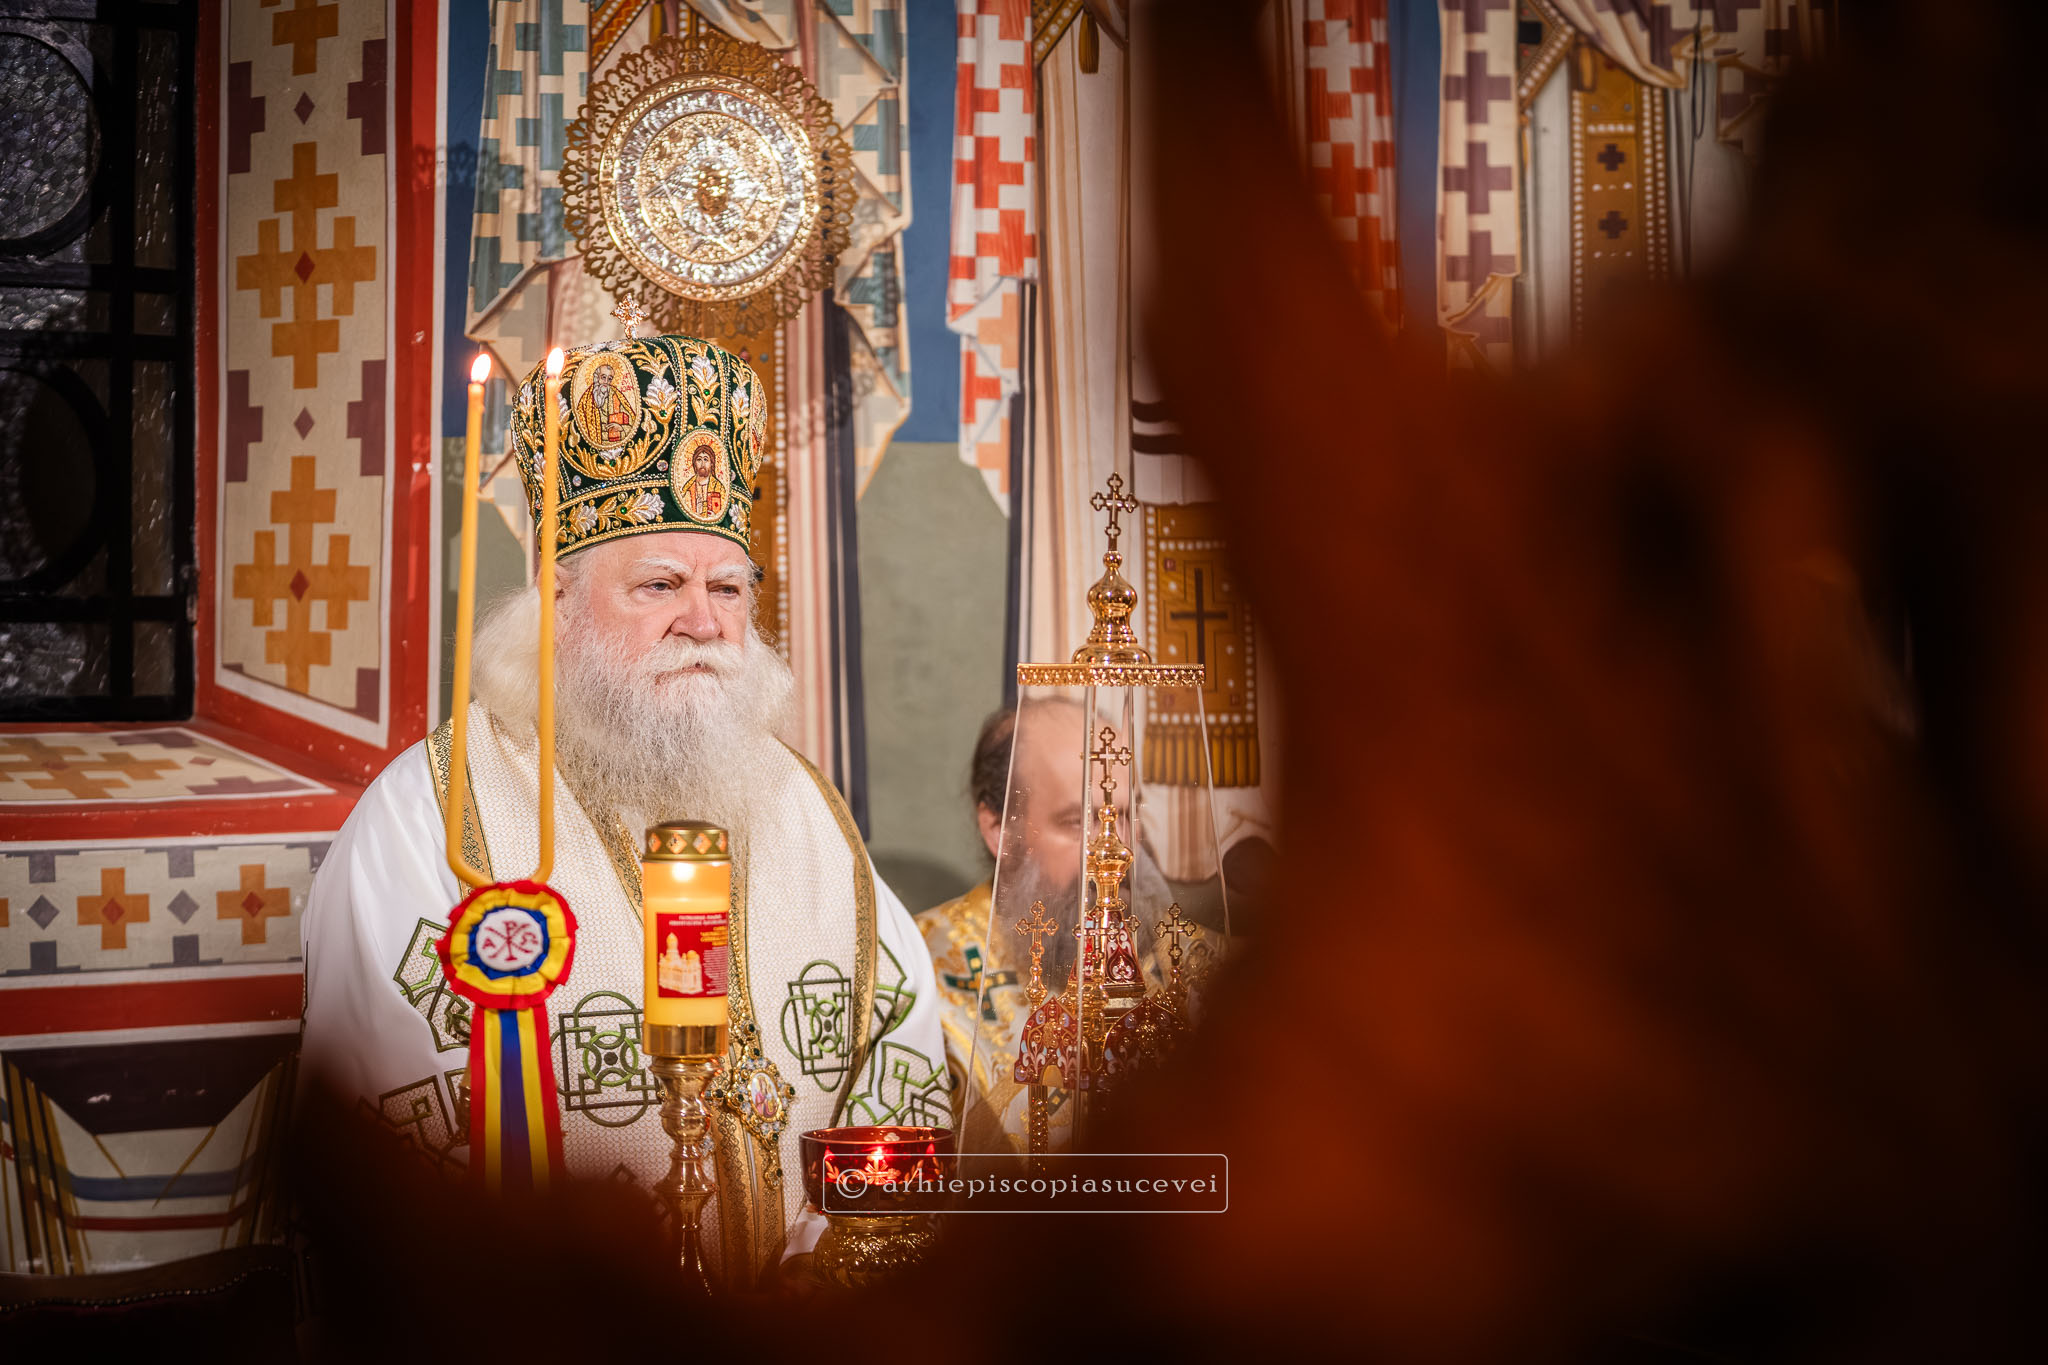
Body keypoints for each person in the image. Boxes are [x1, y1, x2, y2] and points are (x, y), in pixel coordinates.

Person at [301, 331, 942, 1287]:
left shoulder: (803, 804)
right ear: (557, 600)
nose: (705, 621)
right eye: (660, 585)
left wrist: (831, 1266)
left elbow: (900, 1044)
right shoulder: (429, 820)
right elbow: (386, 1122)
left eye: (728, 587)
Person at [917, 699, 1207, 1151]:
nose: (1116, 851)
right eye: (1079, 821)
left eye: (1125, 816)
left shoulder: (1195, 961)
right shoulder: (919, 970)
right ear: (999, 831)